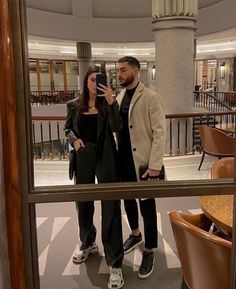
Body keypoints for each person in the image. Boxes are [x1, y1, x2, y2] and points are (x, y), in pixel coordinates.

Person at [64, 65, 124, 289]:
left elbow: (118, 128)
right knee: (84, 202)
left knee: (110, 206)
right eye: (91, 79)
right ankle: (87, 241)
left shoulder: (108, 105)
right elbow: (68, 129)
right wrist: (74, 140)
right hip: (83, 156)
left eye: (98, 79)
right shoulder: (74, 105)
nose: (94, 83)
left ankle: (115, 262)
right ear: (85, 81)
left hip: (106, 156)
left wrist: (111, 102)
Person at [116, 56, 166, 279]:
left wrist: (155, 166)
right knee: (128, 201)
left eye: (123, 70)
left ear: (135, 72)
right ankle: (135, 234)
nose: (119, 74)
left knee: (147, 205)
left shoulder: (151, 98)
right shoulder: (118, 97)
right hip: (123, 161)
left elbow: (160, 133)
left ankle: (149, 250)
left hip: (144, 164)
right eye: (118, 70)